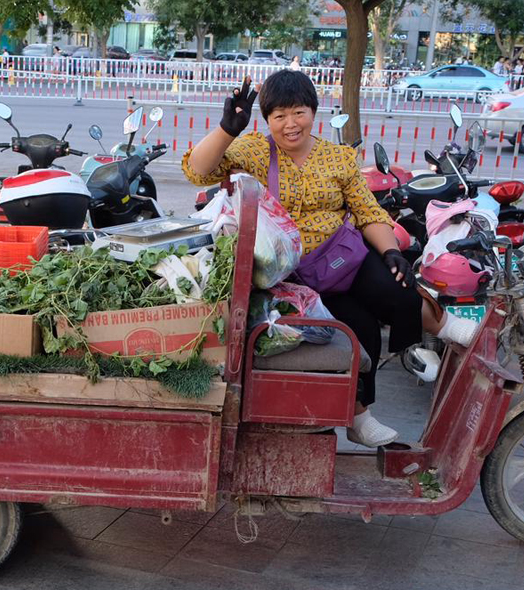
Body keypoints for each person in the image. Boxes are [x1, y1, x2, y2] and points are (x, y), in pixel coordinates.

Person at [182, 71, 476, 446]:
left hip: (342, 255)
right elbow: (196, 171)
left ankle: (440, 327)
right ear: (267, 120)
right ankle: (360, 417)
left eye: (299, 112)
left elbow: (368, 212)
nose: (291, 124)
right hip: (293, 273)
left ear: (314, 111)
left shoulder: (337, 157)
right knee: (359, 331)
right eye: (279, 116)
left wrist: (390, 251)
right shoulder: (254, 150)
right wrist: (227, 129)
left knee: (396, 284)